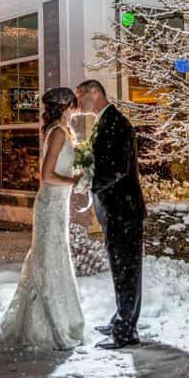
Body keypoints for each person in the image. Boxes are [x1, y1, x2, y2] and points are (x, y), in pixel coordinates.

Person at [0, 87, 85, 350]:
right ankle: (47, 326)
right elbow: (46, 175)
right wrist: (73, 181)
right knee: (48, 260)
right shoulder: (58, 132)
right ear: (66, 106)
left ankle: (53, 320)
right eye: (74, 103)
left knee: (55, 259)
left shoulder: (64, 132)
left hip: (59, 205)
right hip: (50, 205)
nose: (76, 107)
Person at [74, 79, 145, 350]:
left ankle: (126, 331)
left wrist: (88, 184)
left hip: (123, 210)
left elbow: (117, 168)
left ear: (95, 93)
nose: (79, 103)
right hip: (115, 210)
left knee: (126, 270)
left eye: (81, 96)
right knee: (120, 268)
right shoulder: (105, 122)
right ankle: (121, 317)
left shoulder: (116, 123)